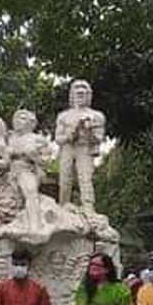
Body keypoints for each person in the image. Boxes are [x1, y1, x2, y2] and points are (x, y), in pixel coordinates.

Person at [54, 80, 105, 211]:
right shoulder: (63, 116)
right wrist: (72, 133)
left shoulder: (97, 116)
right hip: (67, 148)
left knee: (85, 178)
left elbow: (98, 139)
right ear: (72, 94)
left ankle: (88, 207)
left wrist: (88, 131)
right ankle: (63, 204)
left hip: (84, 148)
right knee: (65, 178)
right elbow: (58, 139)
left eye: (84, 90)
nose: (80, 92)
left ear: (89, 95)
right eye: (77, 89)